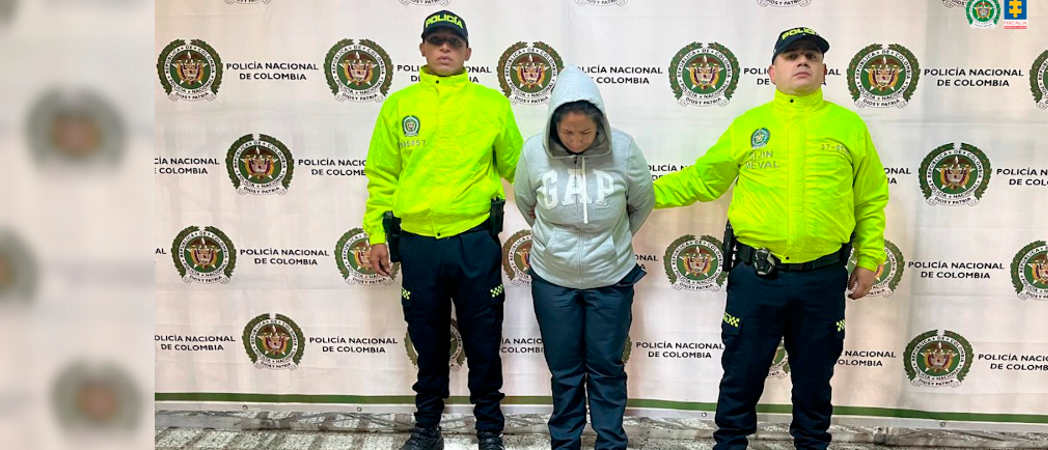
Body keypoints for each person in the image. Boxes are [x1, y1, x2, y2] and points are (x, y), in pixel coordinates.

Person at [650, 27, 890, 450]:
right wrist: (636, 195)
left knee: (815, 380)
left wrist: (870, 258)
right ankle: (730, 444)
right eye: (792, 56)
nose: (802, 62)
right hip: (757, 278)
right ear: (772, 71)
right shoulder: (750, 126)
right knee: (742, 374)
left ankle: (812, 445)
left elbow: (870, 200)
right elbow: (702, 181)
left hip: (822, 279)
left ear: (824, 69)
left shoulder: (848, 127)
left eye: (811, 56)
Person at [362, 10, 523, 450]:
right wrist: (377, 234)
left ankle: (489, 431)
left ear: (469, 51)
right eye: (437, 42)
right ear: (423, 49)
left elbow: (518, 168)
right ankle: (426, 427)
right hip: (417, 244)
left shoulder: (491, 104)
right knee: (428, 341)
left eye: (454, 42)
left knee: (484, 340)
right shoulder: (399, 105)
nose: (445, 49)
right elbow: (382, 177)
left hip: (474, 241)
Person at [513, 67, 654, 450]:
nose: (576, 140)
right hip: (552, 280)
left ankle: (610, 442)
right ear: (553, 126)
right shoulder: (532, 152)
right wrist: (556, 240)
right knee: (565, 370)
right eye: (567, 132)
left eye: (586, 133)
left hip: (610, 279)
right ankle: (565, 442)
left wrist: (611, 242)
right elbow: (527, 204)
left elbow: (642, 203)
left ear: (601, 127)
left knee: (607, 367)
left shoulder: (623, 149)